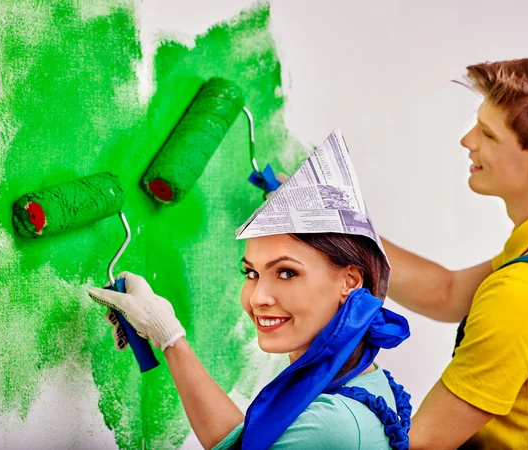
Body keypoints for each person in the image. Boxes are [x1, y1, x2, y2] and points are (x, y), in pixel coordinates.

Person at [88, 132, 412, 449]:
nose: (258, 298)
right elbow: (241, 441)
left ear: (350, 281)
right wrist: (169, 337)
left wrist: (169, 336)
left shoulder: (331, 426)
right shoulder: (363, 380)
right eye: (252, 273)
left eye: (286, 272)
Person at [380, 42, 528, 449]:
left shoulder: (525, 296)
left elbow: (418, 444)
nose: (468, 141)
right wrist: (340, 228)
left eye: (488, 134)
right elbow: (449, 293)